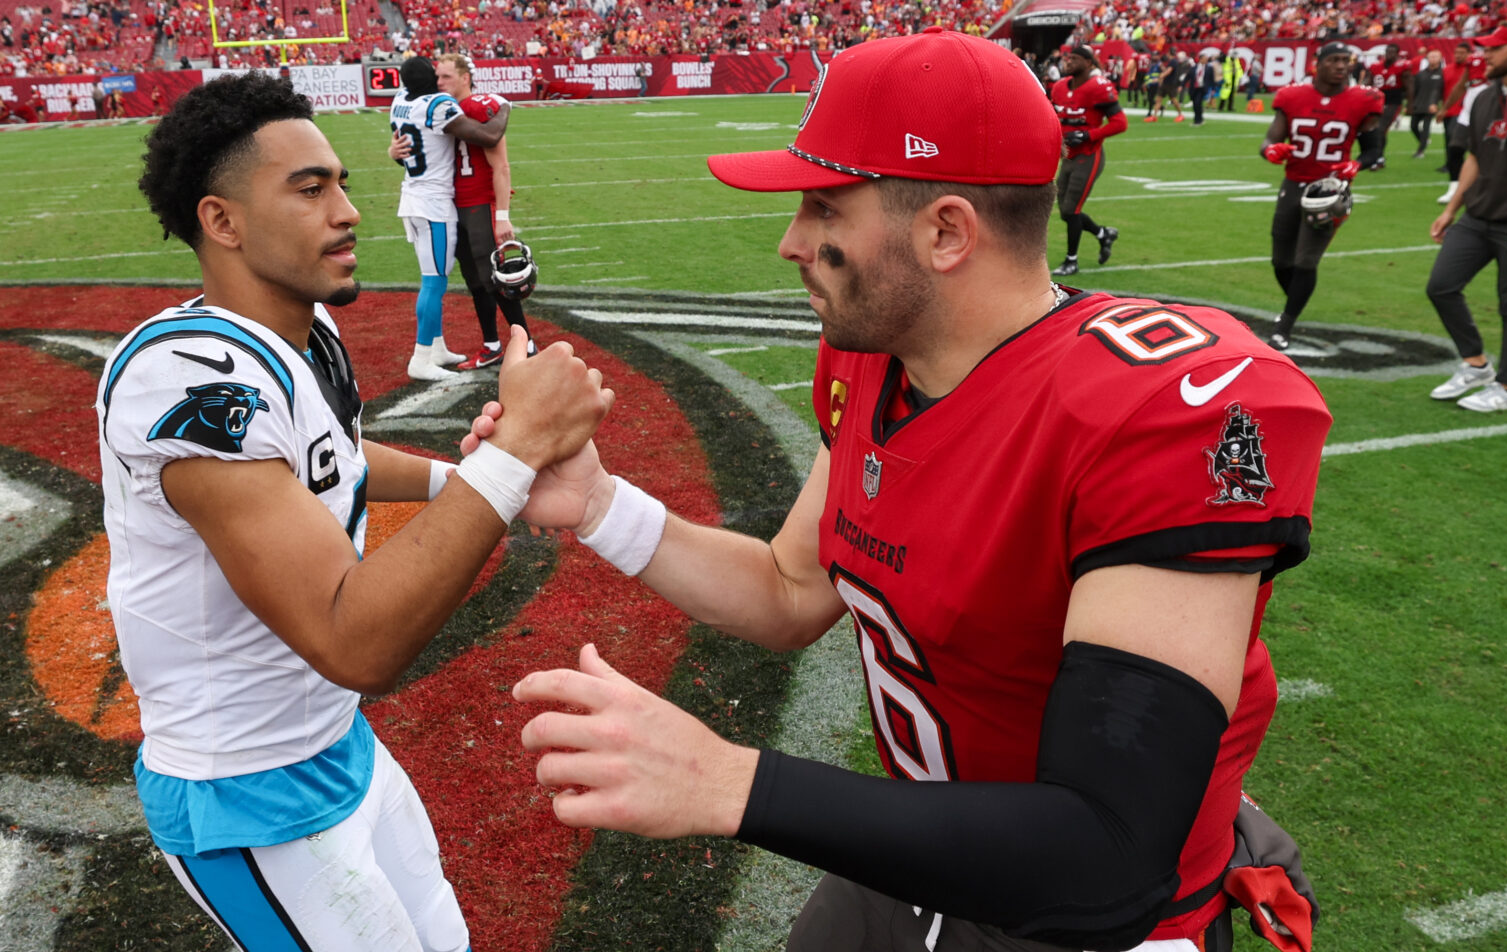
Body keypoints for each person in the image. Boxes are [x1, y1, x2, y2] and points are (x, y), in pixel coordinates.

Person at [482, 28, 1331, 952]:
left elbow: (1107, 850)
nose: (791, 242)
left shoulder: (1156, 410)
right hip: (923, 857)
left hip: (1084, 918)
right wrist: (602, 504)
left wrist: (731, 784)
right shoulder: (874, 367)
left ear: (945, 232)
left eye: (824, 209)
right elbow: (790, 590)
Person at [104, 71, 611, 950]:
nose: (347, 211)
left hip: (333, 745)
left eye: (340, 182)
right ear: (221, 221)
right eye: (309, 189)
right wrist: (516, 451)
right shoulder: (190, 381)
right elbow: (354, 640)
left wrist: (469, 482)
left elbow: (329, 460)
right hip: (246, 790)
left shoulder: (302, 334)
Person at [389, 55, 512, 380]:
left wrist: (391, 152)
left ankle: (437, 346)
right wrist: (504, 107)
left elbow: (403, 147)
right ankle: (421, 358)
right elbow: (488, 136)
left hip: (412, 198)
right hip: (433, 205)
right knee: (434, 282)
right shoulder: (438, 104)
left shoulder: (399, 99)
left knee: (433, 278)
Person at [1260, 41, 1384, 350]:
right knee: (1280, 261)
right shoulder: (1292, 96)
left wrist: (1357, 164)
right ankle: (1295, 306)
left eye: (1346, 60)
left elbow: (1373, 149)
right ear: (1319, 63)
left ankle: (1285, 324)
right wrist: (1271, 151)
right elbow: (1270, 140)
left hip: (1328, 191)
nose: (1342, 66)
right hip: (1292, 184)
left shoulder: (1362, 100)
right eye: (1335, 60)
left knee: (1306, 261)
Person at [1424, 23, 1507, 412]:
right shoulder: (1483, 96)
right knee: (1441, 286)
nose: (1487, 55)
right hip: (1478, 214)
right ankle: (1476, 364)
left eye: (1496, 48)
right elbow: (1475, 157)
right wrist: (1450, 209)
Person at [440, 53, 536, 368]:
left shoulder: (480, 107)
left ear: (465, 77)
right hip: (456, 207)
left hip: (479, 205)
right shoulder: (444, 110)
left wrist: (502, 216)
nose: (440, 83)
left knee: (495, 280)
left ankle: (528, 344)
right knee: (474, 279)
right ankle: (492, 345)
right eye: (438, 77)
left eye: (446, 77)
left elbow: (501, 165)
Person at [1050, 44, 1126, 276]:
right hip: (1068, 155)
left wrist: (1088, 134)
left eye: (1074, 58)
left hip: (1089, 155)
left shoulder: (1098, 87)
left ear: (1089, 63)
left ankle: (1071, 260)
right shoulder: (1060, 87)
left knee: (1072, 209)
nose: (1068, 61)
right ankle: (1103, 234)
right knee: (1065, 211)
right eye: (1067, 57)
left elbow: (1120, 123)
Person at [1438, 41, 1487, 204]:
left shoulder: (1505, 60)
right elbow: (1460, 86)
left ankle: (1484, 189)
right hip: (1468, 108)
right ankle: (1454, 189)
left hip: (1489, 107)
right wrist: (1445, 108)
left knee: (1486, 151)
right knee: (1455, 148)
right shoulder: (1474, 60)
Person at [1368, 43, 1411, 169]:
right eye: (1387, 51)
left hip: (1393, 101)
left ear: (1397, 54)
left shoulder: (1402, 66)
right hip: (1377, 100)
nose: (1389, 54)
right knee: (1374, 130)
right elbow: (1369, 82)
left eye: (1392, 52)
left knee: (1380, 129)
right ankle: (1377, 157)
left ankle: (1378, 158)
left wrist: (1409, 103)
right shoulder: (1375, 66)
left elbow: (1408, 86)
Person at [1409, 48, 1447, 159]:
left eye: (1435, 56)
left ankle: (1420, 150)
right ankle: (1424, 140)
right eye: (1431, 56)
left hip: (1432, 105)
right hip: (1418, 103)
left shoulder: (1443, 73)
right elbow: (1414, 90)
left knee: (1426, 127)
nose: (1433, 58)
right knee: (1413, 126)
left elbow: (1442, 91)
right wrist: (1410, 104)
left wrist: (1438, 104)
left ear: (1440, 58)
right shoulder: (1420, 74)